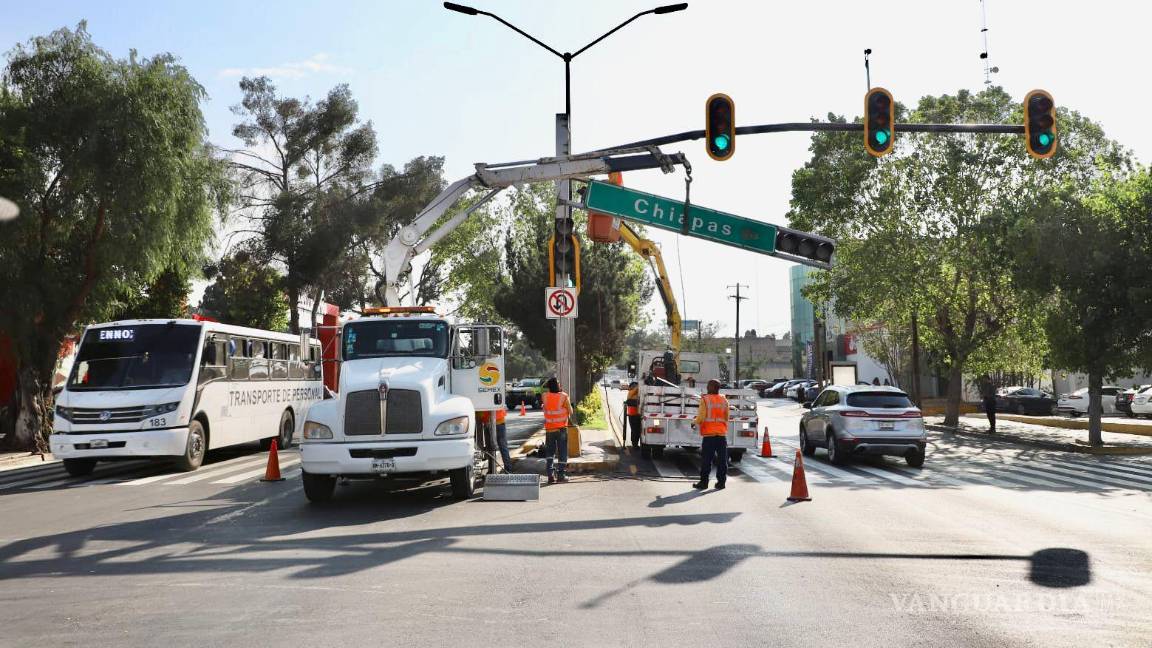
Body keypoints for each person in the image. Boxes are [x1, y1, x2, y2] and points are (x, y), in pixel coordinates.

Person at [692, 379, 729, 490]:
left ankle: (704, 483)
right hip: (722, 436)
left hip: (709, 436)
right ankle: (721, 483)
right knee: (722, 460)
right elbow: (726, 417)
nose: (707, 388)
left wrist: (693, 422)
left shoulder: (705, 399)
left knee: (706, 460)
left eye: (708, 386)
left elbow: (701, 417)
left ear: (712, 387)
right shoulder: (724, 400)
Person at [542, 377, 573, 484]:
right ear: (556, 385)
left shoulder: (544, 396)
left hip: (549, 429)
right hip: (561, 429)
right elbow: (571, 411)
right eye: (559, 383)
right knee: (562, 451)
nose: (560, 385)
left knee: (550, 452)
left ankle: (550, 475)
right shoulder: (564, 396)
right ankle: (561, 475)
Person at [477, 404, 512, 470]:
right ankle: (508, 468)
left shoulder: (480, 399)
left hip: (490, 422)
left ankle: (492, 470)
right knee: (502, 446)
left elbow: (480, 414)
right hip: (498, 422)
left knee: (490, 447)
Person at [625, 381, 642, 448]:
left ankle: (636, 444)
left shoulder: (636, 394)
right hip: (633, 415)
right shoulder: (630, 393)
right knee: (635, 430)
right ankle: (634, 444)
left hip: (637, 414)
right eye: (634, 386)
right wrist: (639, 385)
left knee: (637, 430)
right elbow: (636, 390)